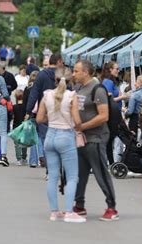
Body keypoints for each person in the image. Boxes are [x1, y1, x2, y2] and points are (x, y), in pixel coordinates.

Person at [36, 67, 85, 223]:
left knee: (53, 176)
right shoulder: (72, 96)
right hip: (66, 136)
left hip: (50, 136)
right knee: (71, 177)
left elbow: (39, 119)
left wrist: (51, 120)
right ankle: (69, 211)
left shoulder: (46, 95)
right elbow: (77, 121)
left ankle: (54, 212)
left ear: (54, 79)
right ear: (70, 80)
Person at [72, 60, 119, 221]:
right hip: (81, 138)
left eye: (76, 71)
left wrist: (82, 126)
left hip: (96, 138)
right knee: (80, 174)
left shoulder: (97, 89)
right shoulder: (78, 88)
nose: (73, 74)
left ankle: (111, 207)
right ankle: (79, 205)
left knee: (100, 173)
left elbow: (103, 116)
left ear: (86, 72)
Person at [101, 61, 124, 164]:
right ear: (110, 69)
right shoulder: (108, 82)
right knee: (110, 139)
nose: (118, 71)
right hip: (112, 115)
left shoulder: (111, 81)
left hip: (115, 113)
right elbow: (108, 98)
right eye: (116, 69)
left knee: (111, 140)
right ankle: (110, 162)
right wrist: (122, 97)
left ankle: (111, 162)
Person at [23, 71, 44, 168]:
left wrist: (26, 113)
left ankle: (33, 161)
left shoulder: (27, 89)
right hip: (41, 114)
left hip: (31, 114)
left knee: (32, 137)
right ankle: (42, 157)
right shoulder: (42, 88)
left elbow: (25, 103)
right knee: (40, 137)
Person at [12, 90, 27, 166]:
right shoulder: (26, 107)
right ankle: (24, 158)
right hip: (24, 126)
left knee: (17, 144)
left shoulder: (14, 107)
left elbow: (12, 116)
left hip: (16, 126)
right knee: (24, 142)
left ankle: (18, 159)